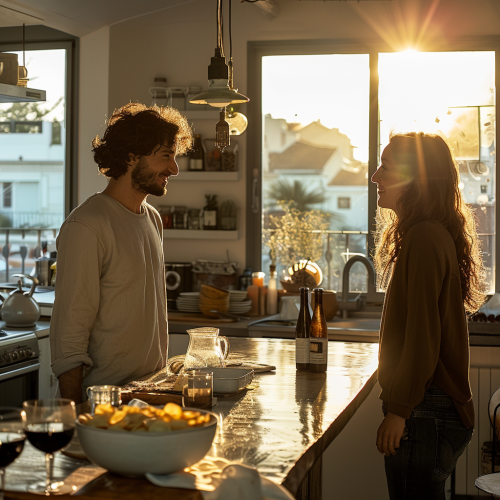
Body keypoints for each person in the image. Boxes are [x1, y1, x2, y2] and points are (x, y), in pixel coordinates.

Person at [50, 102, 192, 404]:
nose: (174, 169)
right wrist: (74, 415)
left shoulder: (152, 218)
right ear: (130, 157)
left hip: (148, 393)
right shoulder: (87, 225)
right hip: (103, 401)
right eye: (165, 156)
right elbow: (69, 333)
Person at [371, 131, 486, 499]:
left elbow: (423, 338)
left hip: (425, 411)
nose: (375, 177)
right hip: (430, 408)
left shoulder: (423, 238)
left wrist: (400, 410)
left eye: (385, 168)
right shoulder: (431, 233)